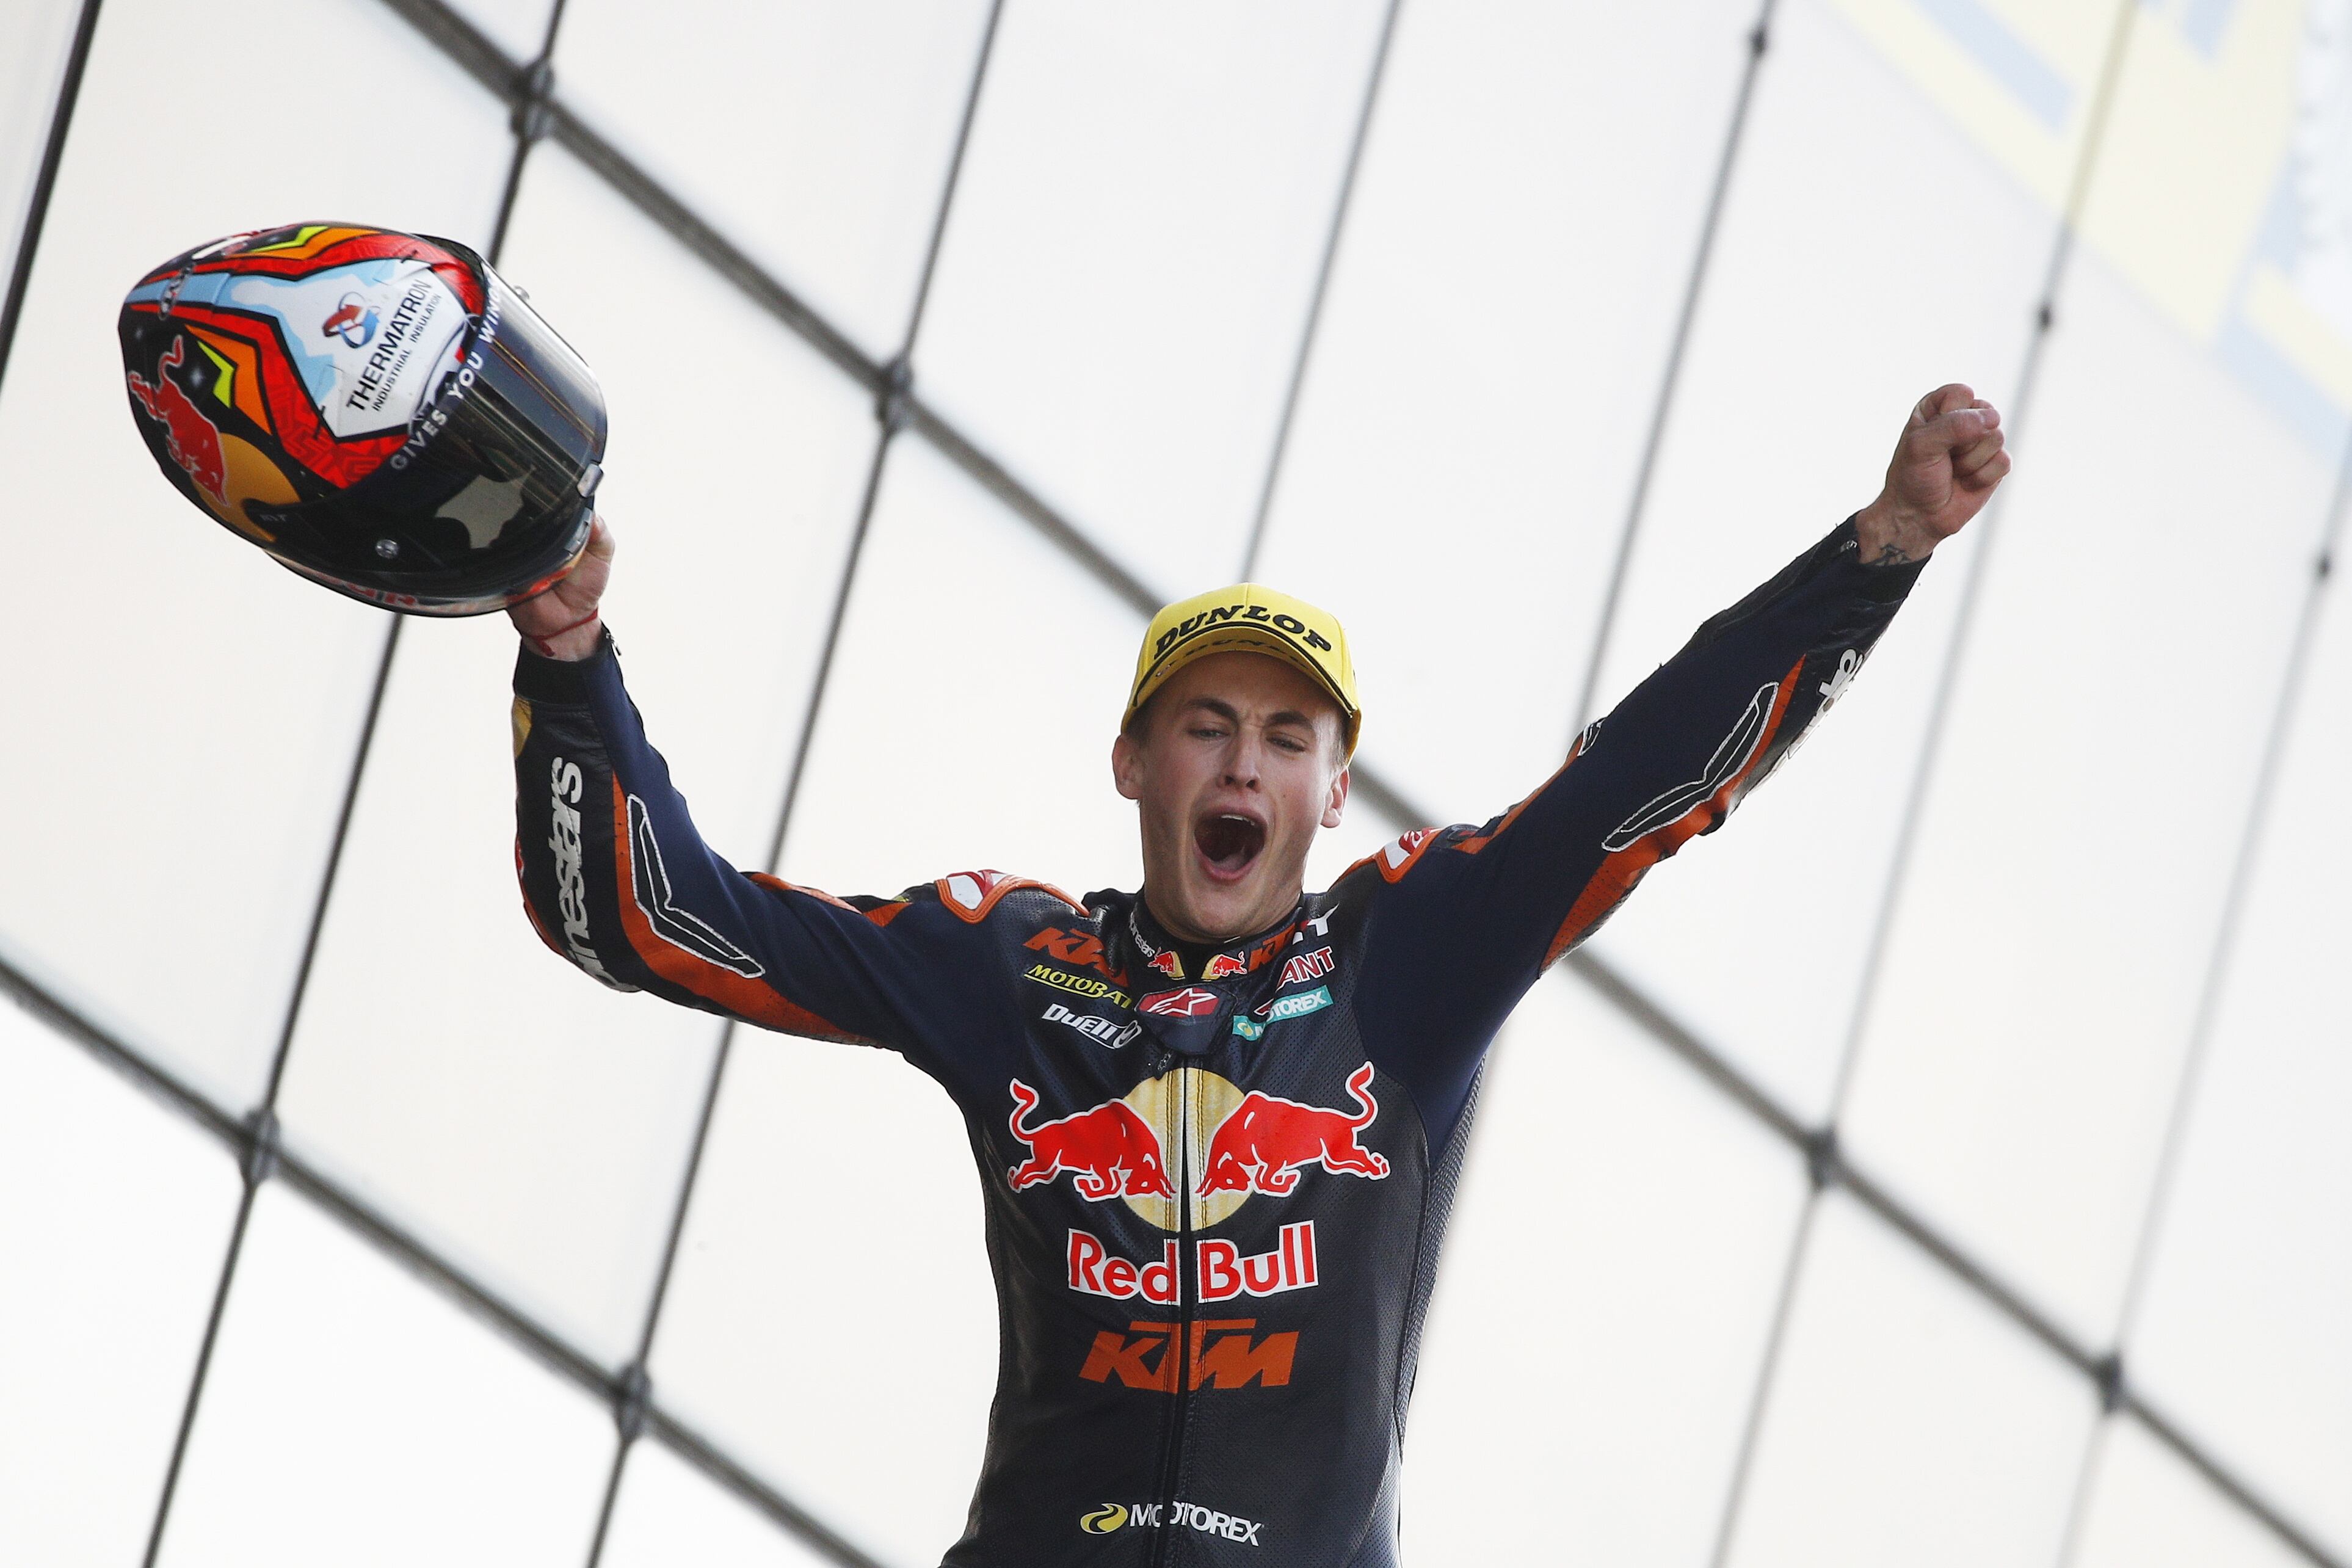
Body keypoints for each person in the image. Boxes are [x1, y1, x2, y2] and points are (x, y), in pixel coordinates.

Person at [507, 385, 2009, 1566]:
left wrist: (1878, 548)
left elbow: (1645, 773)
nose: (1245, 762)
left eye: (1290, 740)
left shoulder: (1408, 956)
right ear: (1134, 763)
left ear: (1334, 789)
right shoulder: (1012, 965)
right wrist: (572, 662)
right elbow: (643, 917)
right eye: (1208, 724)